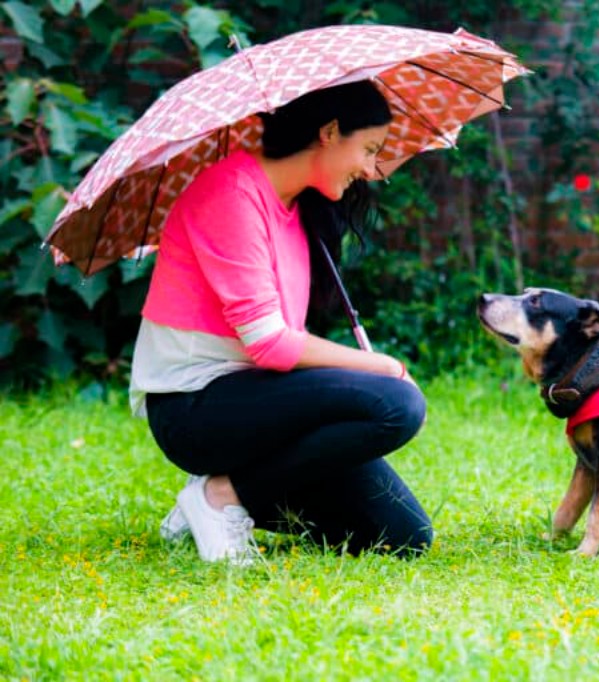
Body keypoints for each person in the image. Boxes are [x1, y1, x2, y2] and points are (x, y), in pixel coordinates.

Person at [129, 80, 432, 565]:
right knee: (397, 405)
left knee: (402, 535)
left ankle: (214, 495)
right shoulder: (230, 192)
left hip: (256, 401)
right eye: (369, 149)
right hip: (193, 407)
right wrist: (381, 366)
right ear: (330, 131)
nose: (373, 169)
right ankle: (219, 497)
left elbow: (284, 345)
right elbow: (269, 343)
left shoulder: (299, 209)